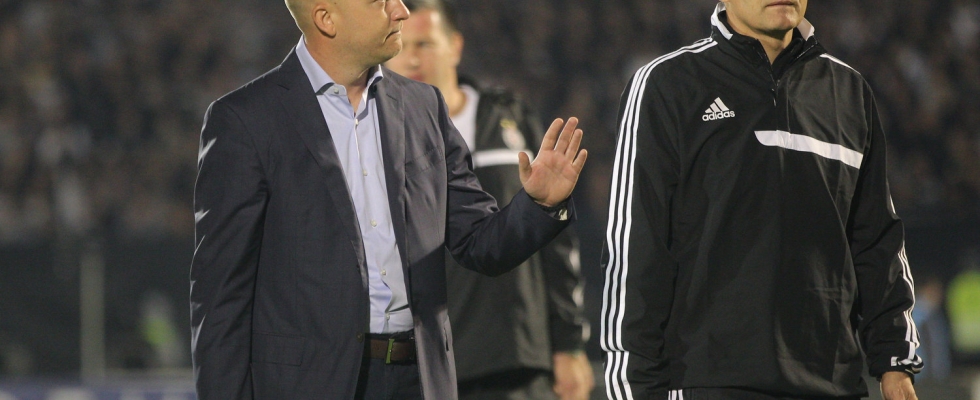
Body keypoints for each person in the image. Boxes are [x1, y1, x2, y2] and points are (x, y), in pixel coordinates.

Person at [189, 0, 589, 398]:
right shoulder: (246, 119)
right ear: (326, 19)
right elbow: (221, 298)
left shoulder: (423, 106)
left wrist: (538, 205)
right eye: (380, 2)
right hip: (309, 386)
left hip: (419, 381)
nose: (400, 11)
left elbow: (478, 242)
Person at [600, 1, 922, 399]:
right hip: (709, 385)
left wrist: (895, 362)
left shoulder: (850, 92)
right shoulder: (667, 84)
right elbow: (636, 251)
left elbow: (876, 243)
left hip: (834, 384)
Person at [385, 1, 594, 399]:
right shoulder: (381, 133)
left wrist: (568, 343)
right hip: (432, 359)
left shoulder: (507, 116)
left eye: (424, 44)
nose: (411, 58)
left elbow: (555, 240)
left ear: (455, 46)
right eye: (402, 45)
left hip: (517, 355)